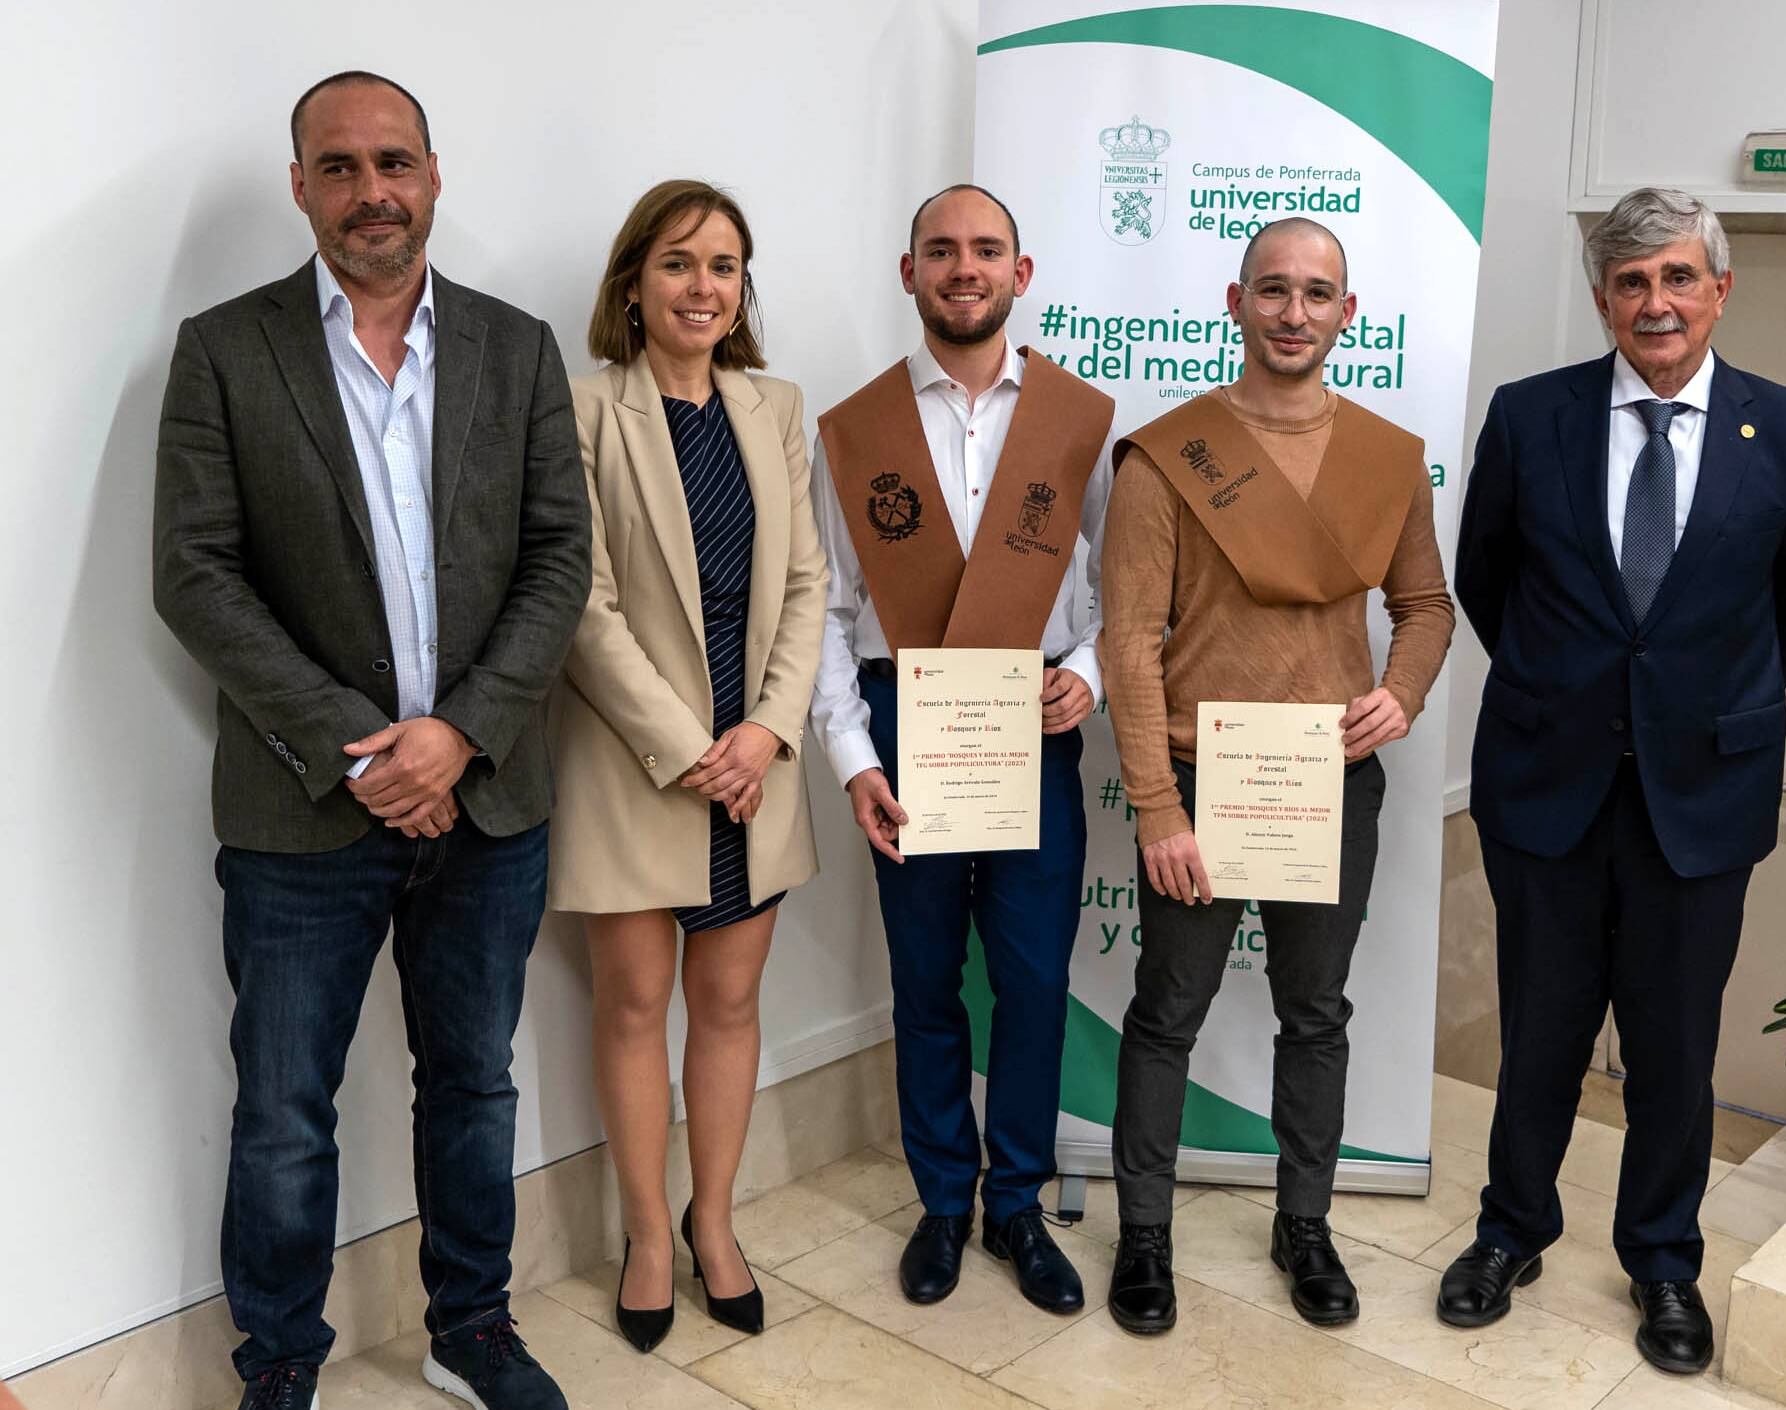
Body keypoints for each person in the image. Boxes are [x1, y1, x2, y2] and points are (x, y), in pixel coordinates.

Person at [152, 71, 590, 1410]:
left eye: (392, 161)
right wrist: (365, 745)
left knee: (474, 1082)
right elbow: (194, 574)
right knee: (283, 1111)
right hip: (300, 815)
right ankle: (282, 1357)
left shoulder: (517, 349)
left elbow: (560, 559)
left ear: (435, 175)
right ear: (301, 188)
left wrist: (457, 734)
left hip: (489, 801)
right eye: (337, 167)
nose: (370, 190)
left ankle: (472, 1326)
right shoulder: (227, 349)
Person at [1443, 187, 1786, 1374]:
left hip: (1700, 796)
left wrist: (1688, 699)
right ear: (1601, 298)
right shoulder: (1530, 418)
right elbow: (1485, 580)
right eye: (1629, 282)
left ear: (1718, 289)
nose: (1653, 302)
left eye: (1675, 278)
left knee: (1673, 1046)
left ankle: (1663, 1260)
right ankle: (1509, 1228)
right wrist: (1575, 688)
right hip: (1545, 786)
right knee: (1538, 1033)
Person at [1099, 218, 1454, 1335]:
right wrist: (1155, 805)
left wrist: (1398, 692)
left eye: (1315, 294)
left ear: (1347, 313)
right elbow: (1125, 644)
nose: (1292, 312)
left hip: (1323, 783)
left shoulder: (1387, 459)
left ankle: (1304, 1223)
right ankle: (1144, 1234)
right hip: (1199, 782)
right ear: (1233, 300)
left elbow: (1425, 607)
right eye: (1271, 291)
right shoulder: (1168, 456)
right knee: (1167, 1015)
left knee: (1315, 1014)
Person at [807, 185, 1115, 1312]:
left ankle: (1016, 1206)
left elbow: (1124, 599)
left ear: (1019, 275)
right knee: (925, 980)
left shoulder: (1080, 425)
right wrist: (853, 758)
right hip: (904, 725)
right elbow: (829, 612)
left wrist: (1084, 677)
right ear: (909, 272)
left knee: (1032, 984)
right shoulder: (857, 431)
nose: (964, 267)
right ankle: (944, 1200)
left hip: (1030, 729)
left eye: (986, 250)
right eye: (941, 250)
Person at [548, 180, 826, 1351]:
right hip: (634, 763)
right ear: (632, 284)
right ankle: (648, 1237)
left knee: (726, 1006)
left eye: (722, 266)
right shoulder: (579, 409)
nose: (702, 287)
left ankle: (715, 1226)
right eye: (677, 264)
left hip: (754, 766)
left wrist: (763, 733)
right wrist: (687, 749)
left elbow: (807, 584)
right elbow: (579, 605)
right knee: (632, 1008)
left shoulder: (774, 407)